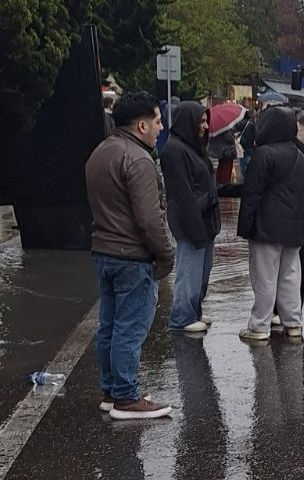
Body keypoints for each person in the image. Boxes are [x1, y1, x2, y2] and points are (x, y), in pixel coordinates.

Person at [85, 91, 174, 420]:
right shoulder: (138, 159)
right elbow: (149, 219)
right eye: (157, 121)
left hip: (104, 251)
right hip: (133, 257)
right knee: (130, 328)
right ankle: (126, 397)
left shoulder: (100, 152)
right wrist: (166, 255)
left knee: (109, 326)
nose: (160, 127)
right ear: (141, 125)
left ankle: (112, 390)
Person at [237, 106, 304, 342]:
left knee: (265, 277)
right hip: (294, 227)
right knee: (290, 275)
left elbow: (252, 193)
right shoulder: (301, 155)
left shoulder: (264, 154)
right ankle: (293, 323)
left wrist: (245, 226)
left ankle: (260, 326)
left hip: (266, 226)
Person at [162, 101, 220, 333]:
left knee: (201, 273)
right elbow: (183, 195)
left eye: (206, 121)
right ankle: (182, 316)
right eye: (201, 121)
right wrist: (198, 221)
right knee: (189, 272)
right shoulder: (175, 150)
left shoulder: (193, 148)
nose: (205, 126)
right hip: (192, 223)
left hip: (204, 222)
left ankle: (193, 311)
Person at [238, 110, 257, 176]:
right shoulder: (251, 124)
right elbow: (255, 133)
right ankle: (249, 170)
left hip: (241, 142)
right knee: (249, 156)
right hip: (249, 142)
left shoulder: (239, 123)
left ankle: (243, 170)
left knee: (242, 156)